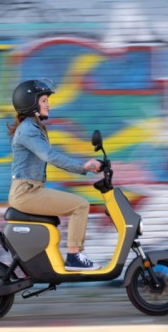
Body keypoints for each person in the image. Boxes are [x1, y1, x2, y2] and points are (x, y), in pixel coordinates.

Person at [7, 79, 102, 271]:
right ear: (31, 103)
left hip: (31, 190)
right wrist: (83, 167)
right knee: (80, 205)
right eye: (43, 100)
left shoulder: (33, 128)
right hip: (26, 193)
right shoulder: (28, 130)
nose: (48, 104)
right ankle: (74, 256)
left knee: (76, 204)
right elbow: (49, 156)